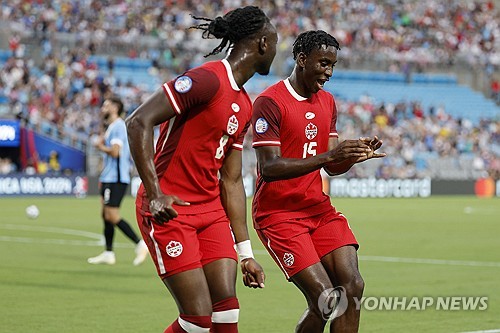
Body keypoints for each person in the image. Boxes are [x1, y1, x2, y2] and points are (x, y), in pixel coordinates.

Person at [125, 6, 277, 333]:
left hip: (211, 212)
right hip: (171, 210)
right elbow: (138, 121)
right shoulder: (207, 79)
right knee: (196, 321)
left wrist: (245, 253)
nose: (277, 52)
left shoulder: (245, 103)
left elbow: (232, 180)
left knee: (226, 313)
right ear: (263, 43)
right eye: (276, 43)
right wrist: (155, 194)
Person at [251, 30, 386, 333]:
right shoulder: (270, 102)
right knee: (327, 299)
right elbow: (269, 167)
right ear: (301, 59)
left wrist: (351, 156)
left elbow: (333, 165)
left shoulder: (327, 102)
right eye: (323, 63)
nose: (329, 72)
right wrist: (329, 157)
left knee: (352, 287)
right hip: (279, 214)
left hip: (317, 209)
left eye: (333, 65)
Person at [87, 96, 149, 266]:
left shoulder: (118, 127)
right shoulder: (112, 127)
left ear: (115, 108)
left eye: (105, 105)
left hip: (115, 178)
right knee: (105, 214)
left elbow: (116, 152)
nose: (102, 108)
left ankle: (140, 243)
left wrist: (100, 147)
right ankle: (108, 253)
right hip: (109, 177)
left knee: (111, 215)